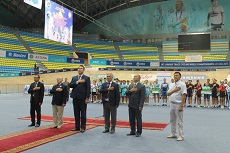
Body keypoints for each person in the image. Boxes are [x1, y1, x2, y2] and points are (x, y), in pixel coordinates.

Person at [70, 65, 90, 133]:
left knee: (83, 113)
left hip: (83, 98)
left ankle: (83, 127)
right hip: (75, 97)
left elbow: (88, 89)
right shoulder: (74, 78)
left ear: (83, 70)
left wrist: (87, 98)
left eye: (81, 68)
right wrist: (77, 82)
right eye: (78, 68)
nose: (79, 69)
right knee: (76, 112)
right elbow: (70, 85)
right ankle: (77, 126)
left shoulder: (86, 78)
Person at [167, 72, 187, 141]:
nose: (175, 76)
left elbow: (184, 95)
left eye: (177, 75)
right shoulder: (171, 84)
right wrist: (174, 90)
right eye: (174, 75)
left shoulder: (182, 84)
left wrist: (181, 105)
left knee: (179, 121)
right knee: (172, 120)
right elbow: (168, 93)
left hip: (178, 104)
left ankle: (181, 135)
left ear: (180, 77)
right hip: (171, 103)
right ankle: (173, 133)